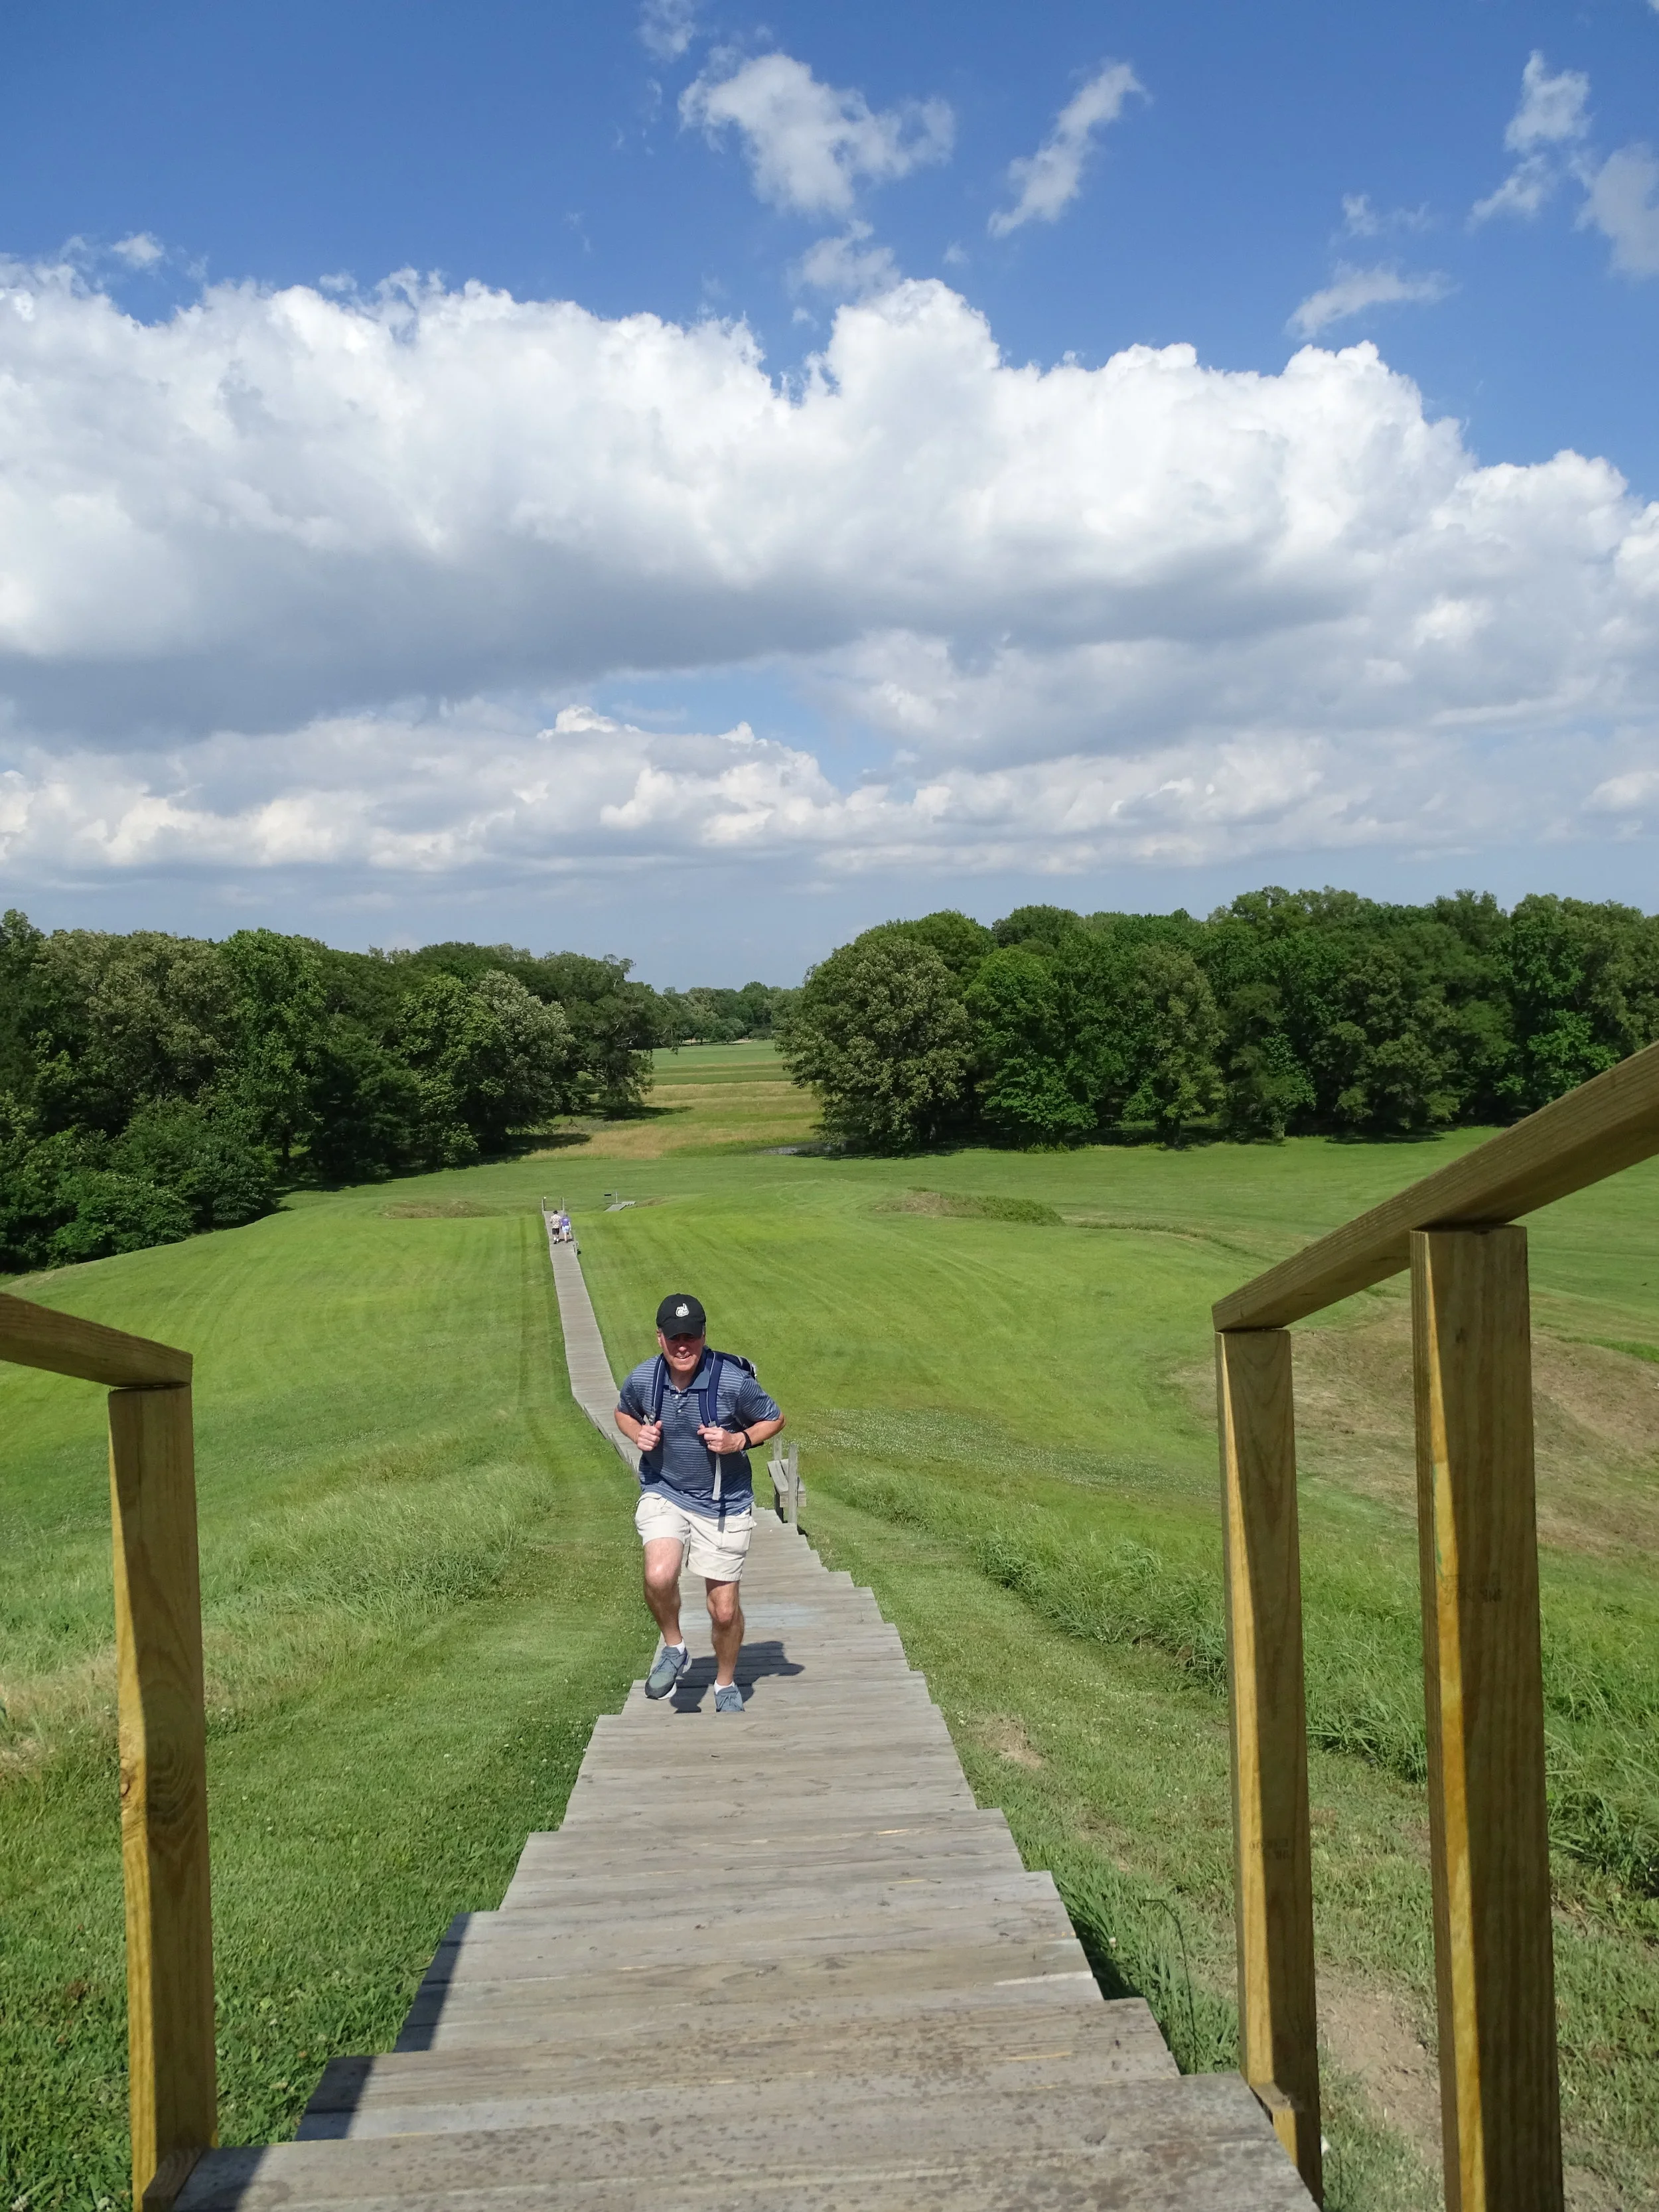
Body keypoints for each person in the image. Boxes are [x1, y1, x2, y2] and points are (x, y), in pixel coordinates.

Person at [614, 1293, 784, 1714]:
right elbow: (622, 1412)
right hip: (665, 1488)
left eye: (691, 1336)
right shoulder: (644, 1379)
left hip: (724, 1502)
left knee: (723, 1611)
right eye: (674, 1338)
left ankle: (725, 1682)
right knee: (658, 1574)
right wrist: (637, 1434)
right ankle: (675, 1647)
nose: (683, 1346)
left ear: (704, 1336)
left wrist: (738, 1440)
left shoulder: (732, 1380)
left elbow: (774, 1417)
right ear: (660, 1339)